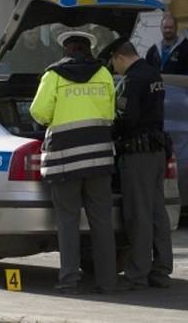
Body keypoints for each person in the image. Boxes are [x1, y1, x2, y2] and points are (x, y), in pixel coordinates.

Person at [30, 31, 117, 294]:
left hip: (65, 161)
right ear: (88, 49)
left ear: (66, 50)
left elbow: (39, 112)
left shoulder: (53, 75)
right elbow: (111, 113)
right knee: (102, 221)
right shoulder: (104, 74)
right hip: (99, 159)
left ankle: (69, 280)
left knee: (67, 222)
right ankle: (108, 281)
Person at [109, 39, 173, 290]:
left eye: (114, 64)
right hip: (157, 152)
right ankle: (161, 270)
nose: (115, 70)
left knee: (139, 214)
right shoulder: (153, 73)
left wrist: (110, 128)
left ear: (119, 57)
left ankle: (137, 274)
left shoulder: (133, 80)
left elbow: (128, 119)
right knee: (158, 213)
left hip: (137, 154)